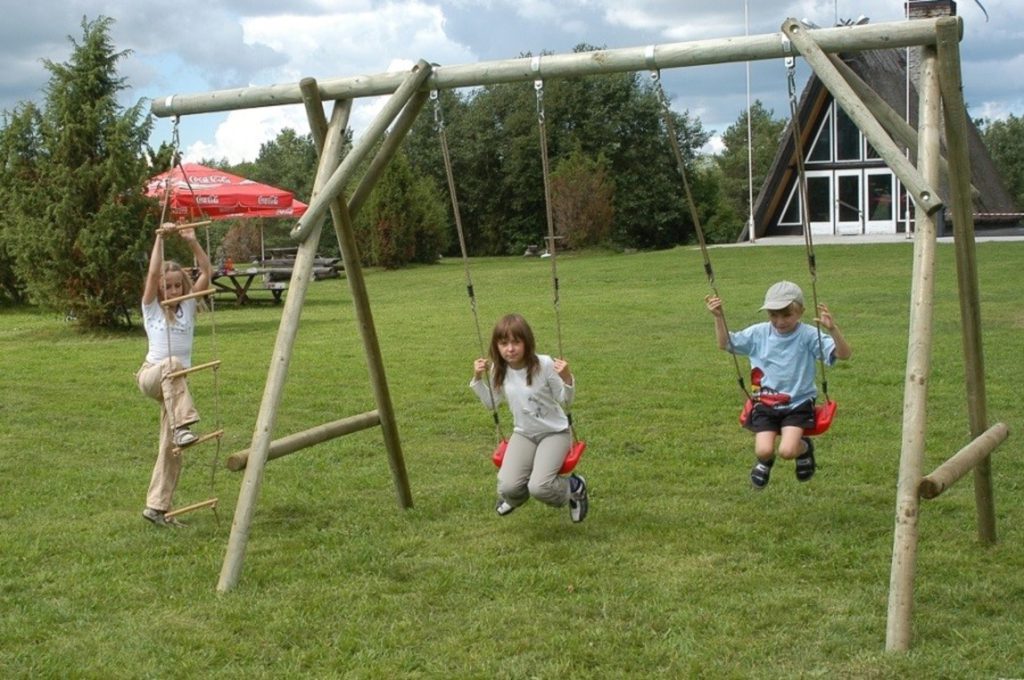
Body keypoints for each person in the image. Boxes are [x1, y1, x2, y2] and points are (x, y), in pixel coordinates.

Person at [706, 281, 851, 489]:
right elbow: (725, 343)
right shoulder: (758, 334)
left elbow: (844, 355)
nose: (779, 321)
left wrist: (833, 329)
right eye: (773, 315)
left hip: (798, 403)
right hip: (765, 404)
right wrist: (719, 317)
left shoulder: (808, 335)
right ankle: (764, 463)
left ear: (800, 312)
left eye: (786, 315)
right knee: (763, 450)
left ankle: (804, 449)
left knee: (787, 451)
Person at [470, 313, 589, 522]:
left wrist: (567, 378)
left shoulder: (544, 364)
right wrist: (477, 378)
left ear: (527, 342)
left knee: (540, 487)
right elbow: (492, 403)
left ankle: (574, 487)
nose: (510, 349)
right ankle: (513, 498)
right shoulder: (499, 368)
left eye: (516, 342)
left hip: (554, 432)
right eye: (504, 343)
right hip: (524, 433)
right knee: (507, 486)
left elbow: (565, 400)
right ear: (497, 346)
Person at [135, 223, 212, 526]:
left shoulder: (189, 307)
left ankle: (157, 508)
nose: (173, 291)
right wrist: (159, 239)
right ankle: (184, 424)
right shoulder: (151, 308)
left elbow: (206, 269)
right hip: (152, 376)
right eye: (167, 287)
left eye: (177, 285)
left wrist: (192, 241)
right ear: (160, 289)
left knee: (172, 450)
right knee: (171, 364)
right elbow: (153, 274)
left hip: (174, 388)